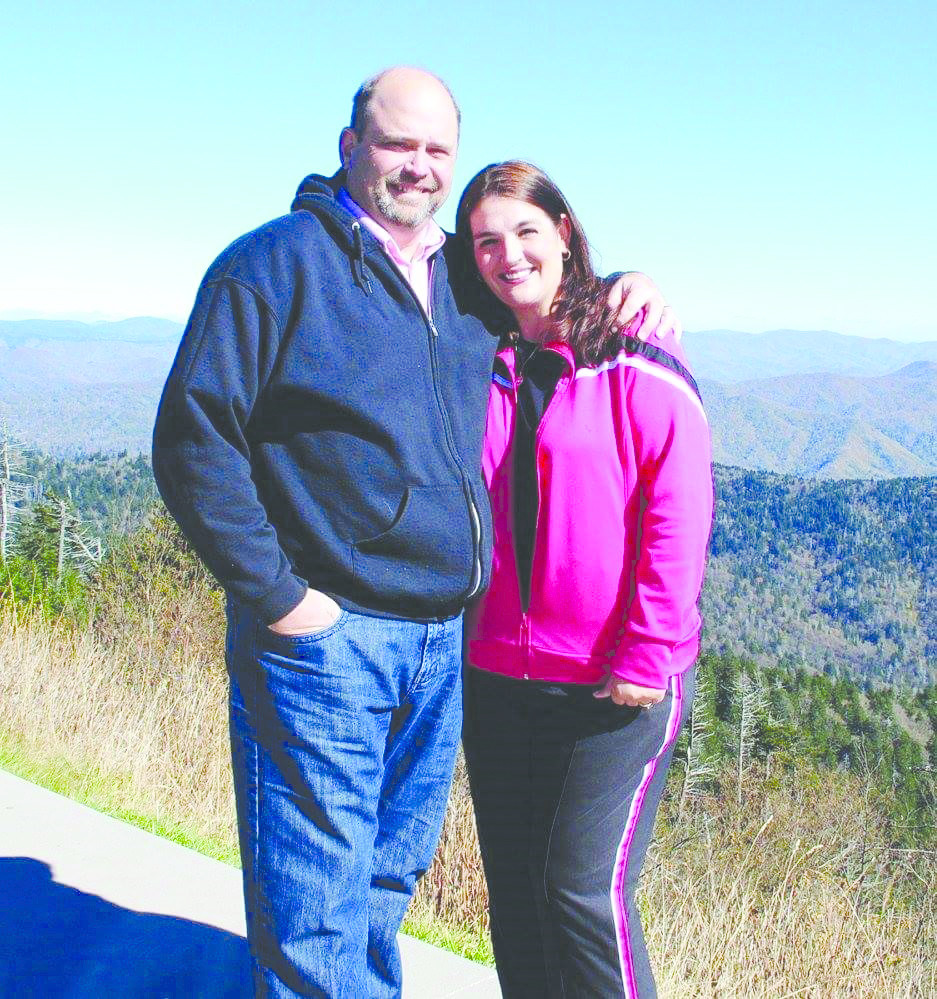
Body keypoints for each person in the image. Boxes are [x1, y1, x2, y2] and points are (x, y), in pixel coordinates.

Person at [152, 67, 676, 998]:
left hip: (443, 648)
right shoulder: (273, 264)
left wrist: (629, 282)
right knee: (314, 902)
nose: (419, 166)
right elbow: (194, 444)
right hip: (325, 639)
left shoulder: (461, 285)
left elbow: (543, 290)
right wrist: (281, 598)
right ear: (350, 146)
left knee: (387, 884)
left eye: (438, 149)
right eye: (398, 144)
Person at [457, 160, 714, 999]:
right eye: (486, 240)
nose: (508, 254)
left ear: (563, 232)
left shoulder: (632, 348)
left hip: (615, 685)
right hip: (495, 673)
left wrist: (647, 655)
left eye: (526, 231)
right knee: (519, 902)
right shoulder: (472, 350)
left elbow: (678, 506)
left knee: (581, 894)